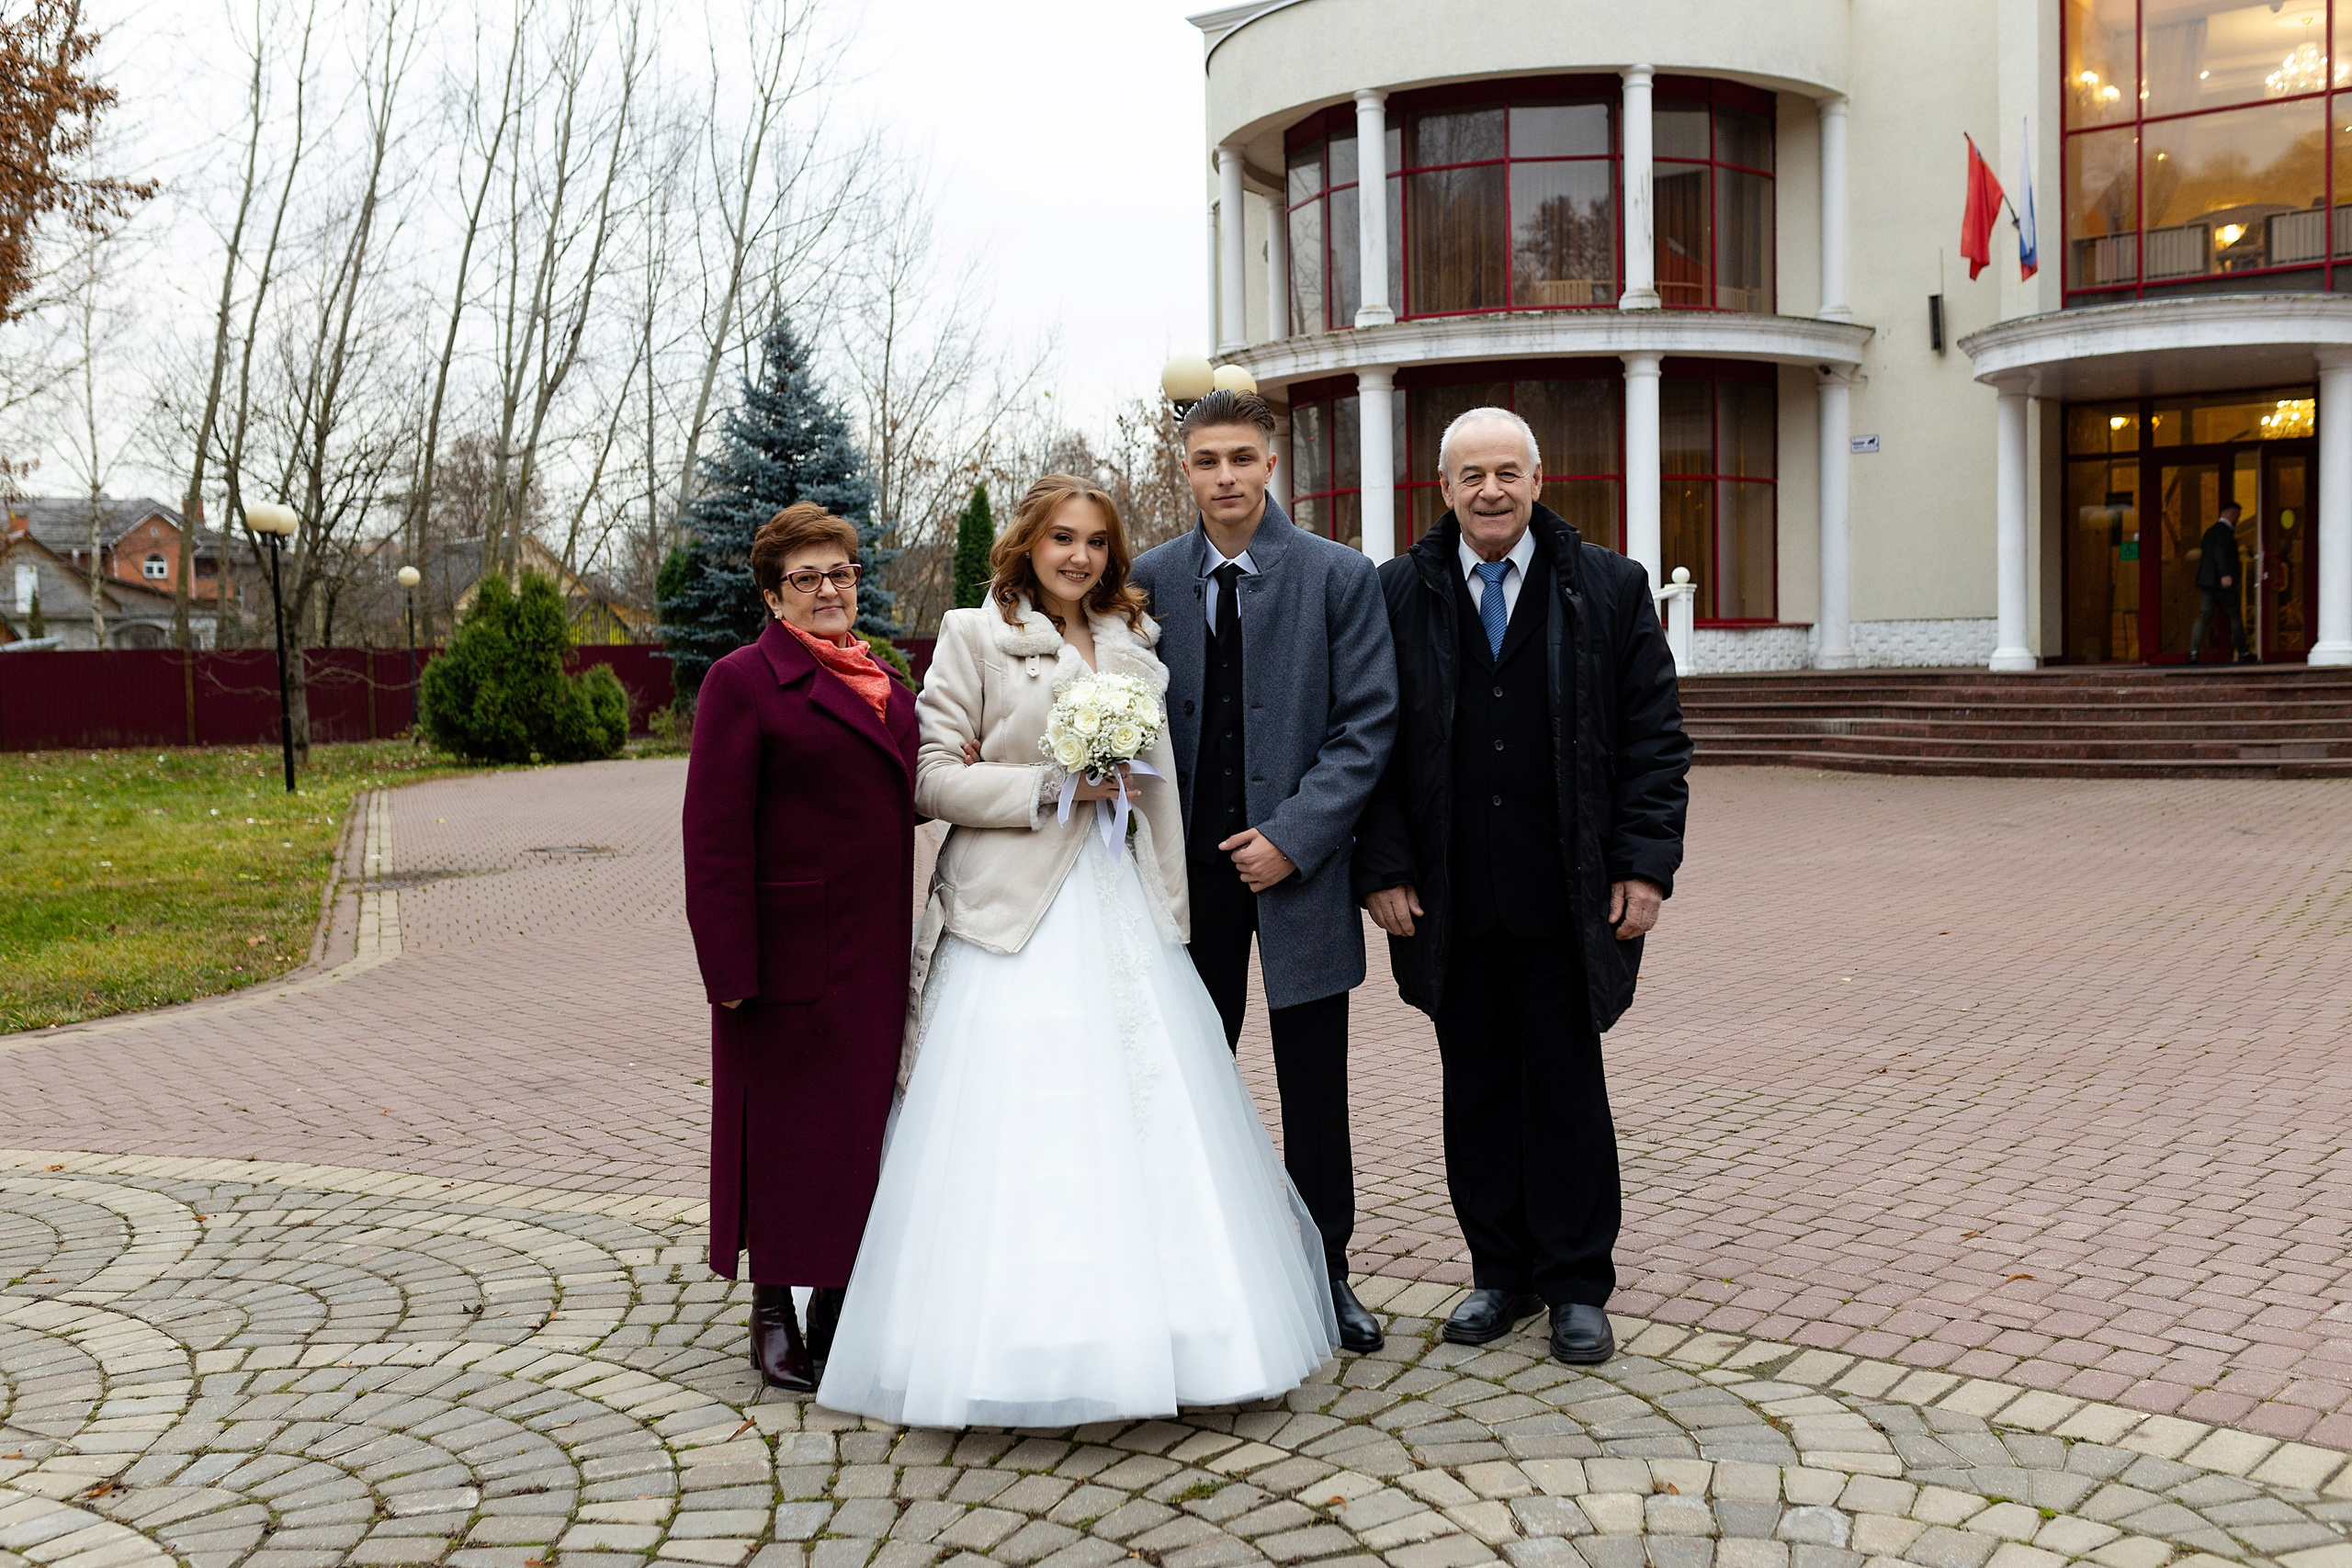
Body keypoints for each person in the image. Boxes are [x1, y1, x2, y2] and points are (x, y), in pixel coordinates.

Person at [816, 473, 1337, 1428]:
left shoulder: (1137, 643)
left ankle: (1185, 1341)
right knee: (1027, 1122)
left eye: (1096, 542)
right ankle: (1012, 1345)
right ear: (1028, 543)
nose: (1079, 557)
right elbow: (930, 780)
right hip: (1011, 913)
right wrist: (1048, 789)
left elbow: (1163, 791)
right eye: (1062, 538)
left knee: (1148, 1113)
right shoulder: (976, 635)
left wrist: (1171, 906)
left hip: (1122, 902)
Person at [1353, 408, 1690, 1367]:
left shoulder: (1609, 588)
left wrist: (1642, 865)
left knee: (1567, 1089)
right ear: (1443, 486)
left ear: (1538, 480)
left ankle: (1577, 1285)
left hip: (1569, 892)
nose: (1490, 491)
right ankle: (1498, 1274)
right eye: (1472, 476)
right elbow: (1366, 745)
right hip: (1447, 899)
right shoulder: (1397, 595)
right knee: (1478, 1091)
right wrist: (1381, 867)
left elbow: (1654, 744)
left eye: (1507, 472)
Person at [1128, 389, 1399, 1355]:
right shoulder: (1148, 580)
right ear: (1187, 469)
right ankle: (1184, 1268)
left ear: (1270, 464)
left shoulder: (1337, 577)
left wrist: (1294, 835)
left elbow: (1367, 725)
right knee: (1184, 1075)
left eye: (1241, 458)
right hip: (1180, 882)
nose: (1226, 477)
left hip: (1298, 876)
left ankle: (1325, 1272)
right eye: (1206, 461)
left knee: (1312, 1088)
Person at [680, 502, 920, 1391]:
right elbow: (711, 836)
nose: (828, 590)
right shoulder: (742, 682)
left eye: (841, 574)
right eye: (806, 578)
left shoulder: (882, 680)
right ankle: (773, 1309)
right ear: (774, 595)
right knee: (781, 1137)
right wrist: (728, 969)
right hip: (782, 957)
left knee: (853, 1134)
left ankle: (839, 1298)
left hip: (872, 951)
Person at [2188, 501, 2256, 663]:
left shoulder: (2209, 532)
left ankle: (2193, 652)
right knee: (2234, 615)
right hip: (2223, 583)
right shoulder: (2226, 533)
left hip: (2206, 582)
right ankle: (2243, 652)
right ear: (2231, 513)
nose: (2237, 519)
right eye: (2237, 515)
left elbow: (2207, 555)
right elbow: (2220, 553)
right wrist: (2226, 574)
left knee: (2203, 616)